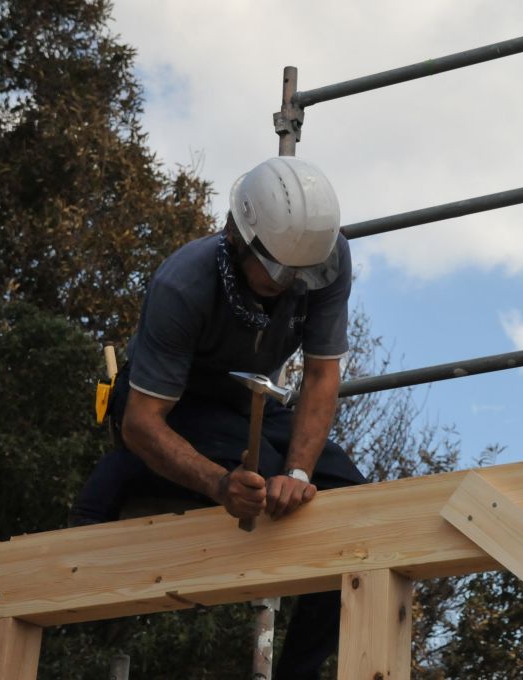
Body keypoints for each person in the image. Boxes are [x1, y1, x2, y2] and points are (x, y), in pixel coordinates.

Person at [70, 156, 366, 679]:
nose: (294, 282)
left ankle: (297, 673)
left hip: (241, 398)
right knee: (260, 468)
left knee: (349, 503)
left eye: (304, 272)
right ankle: (119, 478)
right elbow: (142, 421)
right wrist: (221, 484)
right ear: (237, 236)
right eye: (278, 271)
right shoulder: (183, 285)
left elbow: (321, 376)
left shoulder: (326, 255)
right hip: (169, 403)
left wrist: (299, 476)